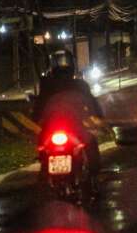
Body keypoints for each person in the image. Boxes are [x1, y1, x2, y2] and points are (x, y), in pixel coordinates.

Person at [34, 49, 103, 180]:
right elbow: (92, 104)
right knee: (90, 143)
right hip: (71, 128)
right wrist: (98, 115)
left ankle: (92, 178)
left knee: (43, 144)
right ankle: (93, 177)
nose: (63, 65)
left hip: (58, 129)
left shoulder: (47, 86)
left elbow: (38, 108)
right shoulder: (79, 85)